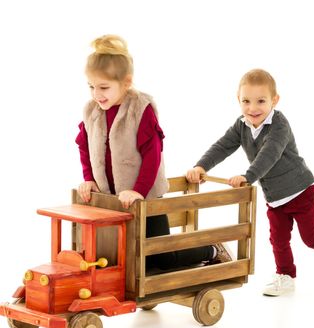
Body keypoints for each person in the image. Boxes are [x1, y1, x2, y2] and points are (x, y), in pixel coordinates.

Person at [186, 68, 314, 296]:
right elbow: (223, 146)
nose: (253, 108)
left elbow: (269, 154)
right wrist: (201, 166)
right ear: (238, 100)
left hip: (301, 192)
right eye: (246, 101)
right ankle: (285, 276)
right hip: (275, 198)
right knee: (278, 240)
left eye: (261, 101)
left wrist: (247, 176)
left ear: (275, 100)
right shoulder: (241, 125)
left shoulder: (279, 125)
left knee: (312, 239)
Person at [75, 34, 233, 270]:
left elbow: (153, 153)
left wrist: (138, 190)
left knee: (160, 256)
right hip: (111, 200)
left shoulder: (140, 108)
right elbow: (84, 145)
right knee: (117, 254)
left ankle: (211, 248)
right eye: (91, 87)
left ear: (126, 82)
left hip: (145, 198)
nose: (97, 94)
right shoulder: (92, 110)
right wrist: (88, 178)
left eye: (104, 87)